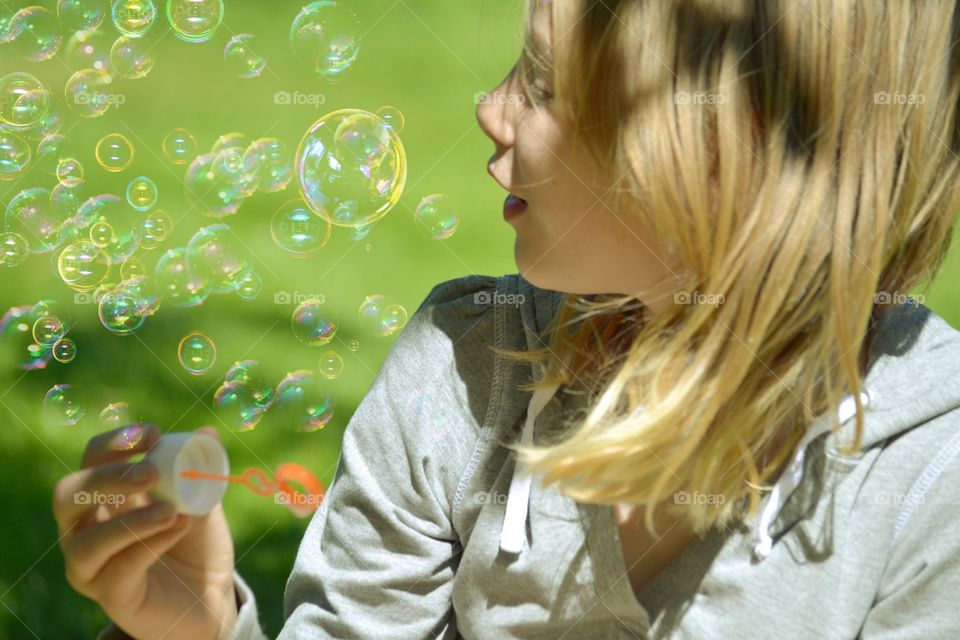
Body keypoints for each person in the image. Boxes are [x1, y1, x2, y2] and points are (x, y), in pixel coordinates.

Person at [54, 0, 960, 638]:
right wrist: (200, 626)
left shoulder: (930, 485)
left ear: (727, 146)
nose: (490, 110)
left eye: (544, 84)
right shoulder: (466, 366)